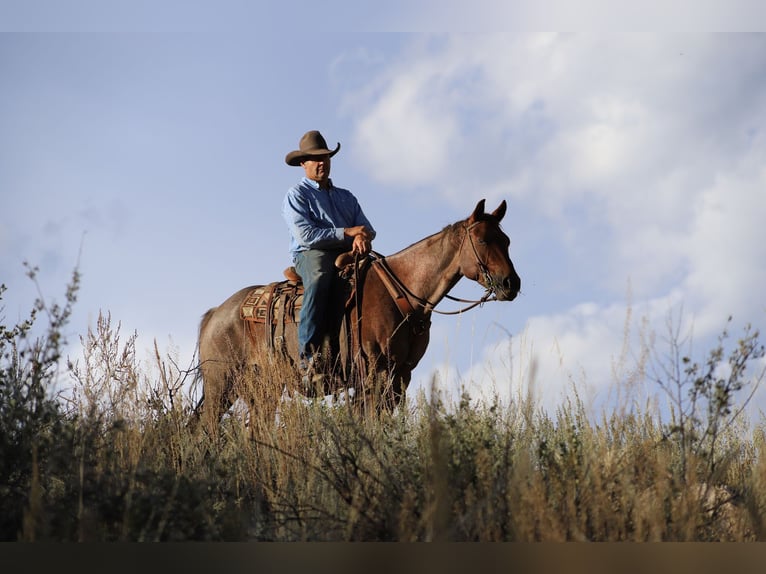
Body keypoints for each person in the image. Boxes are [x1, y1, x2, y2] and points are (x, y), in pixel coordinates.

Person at [282, 130, 376, 381]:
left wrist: (360, 237)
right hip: (311, 253)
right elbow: (306, 235)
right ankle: (309, 360)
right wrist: (348, 231)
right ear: (304, 164)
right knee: (320, 278)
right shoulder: (297, 195)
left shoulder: (346, 197)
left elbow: (367, 229)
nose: (322, 162)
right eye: (315, 158)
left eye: (325, 157)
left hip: (348, 252)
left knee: (381, 278)